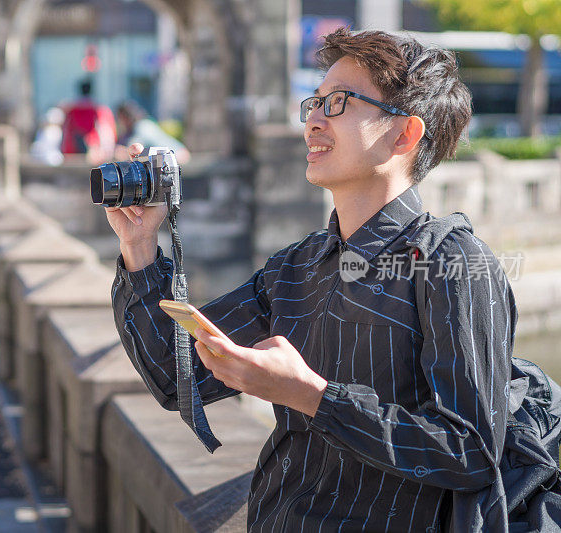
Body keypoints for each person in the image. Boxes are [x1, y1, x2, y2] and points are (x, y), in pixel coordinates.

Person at [106, 28, 518, 531]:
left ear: (404, 134)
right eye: (315, 102)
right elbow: (177, 377)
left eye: (339, 102)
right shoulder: (297, 267)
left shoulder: (452, 264)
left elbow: (471, 453)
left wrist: (313, 397)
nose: (313, 122)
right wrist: (140, 246)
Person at [60, 79, 116, 164]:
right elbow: (105, 131)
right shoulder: (99, 109)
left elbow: (67, 132)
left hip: (75, 151)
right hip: (94, 150)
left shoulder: (72, 110)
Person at [115, 101, 190, 163]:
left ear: (125, 117)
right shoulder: (146, 122)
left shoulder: (142, 127)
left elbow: (134, 148)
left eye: (120, 119)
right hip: (177, 153)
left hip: (176, 156)